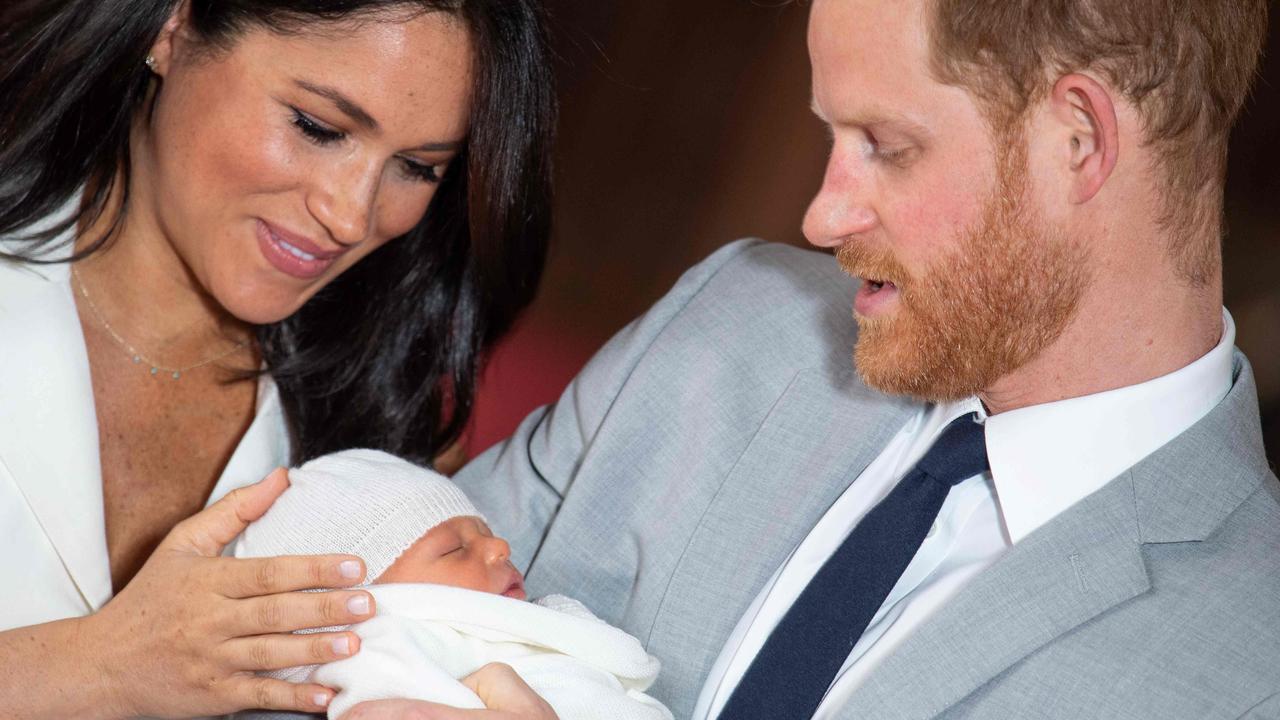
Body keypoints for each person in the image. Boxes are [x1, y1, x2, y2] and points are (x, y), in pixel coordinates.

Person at [444, 0, 1280, 718]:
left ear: (1079, 140)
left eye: (885, 144)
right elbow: (365, 611)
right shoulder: (725, 321)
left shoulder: (1255, 673)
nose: (822, 217)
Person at [0, 0, 554, 717]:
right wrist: (98, 666)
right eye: (319, 127)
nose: (351, 215)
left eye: (417, 167)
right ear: (173, 29)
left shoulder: (374, 437)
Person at [232, 449, 672, 720]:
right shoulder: (384, 645)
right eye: (453, 549)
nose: (500, 545)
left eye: (485, 530)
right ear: (357, 604)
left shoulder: (520, 629)